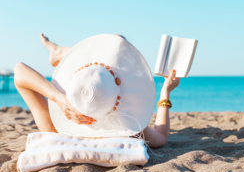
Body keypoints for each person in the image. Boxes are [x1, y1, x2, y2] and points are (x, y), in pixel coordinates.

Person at [14, 34, 180, 148]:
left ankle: (60, 53)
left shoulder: (55, 129)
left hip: (67, 104)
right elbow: (161, 136)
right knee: (118, 40)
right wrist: (166, 90)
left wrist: (59, 99)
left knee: (116, 41)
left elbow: (19, 70)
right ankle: (61, 53)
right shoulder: (129, 129)